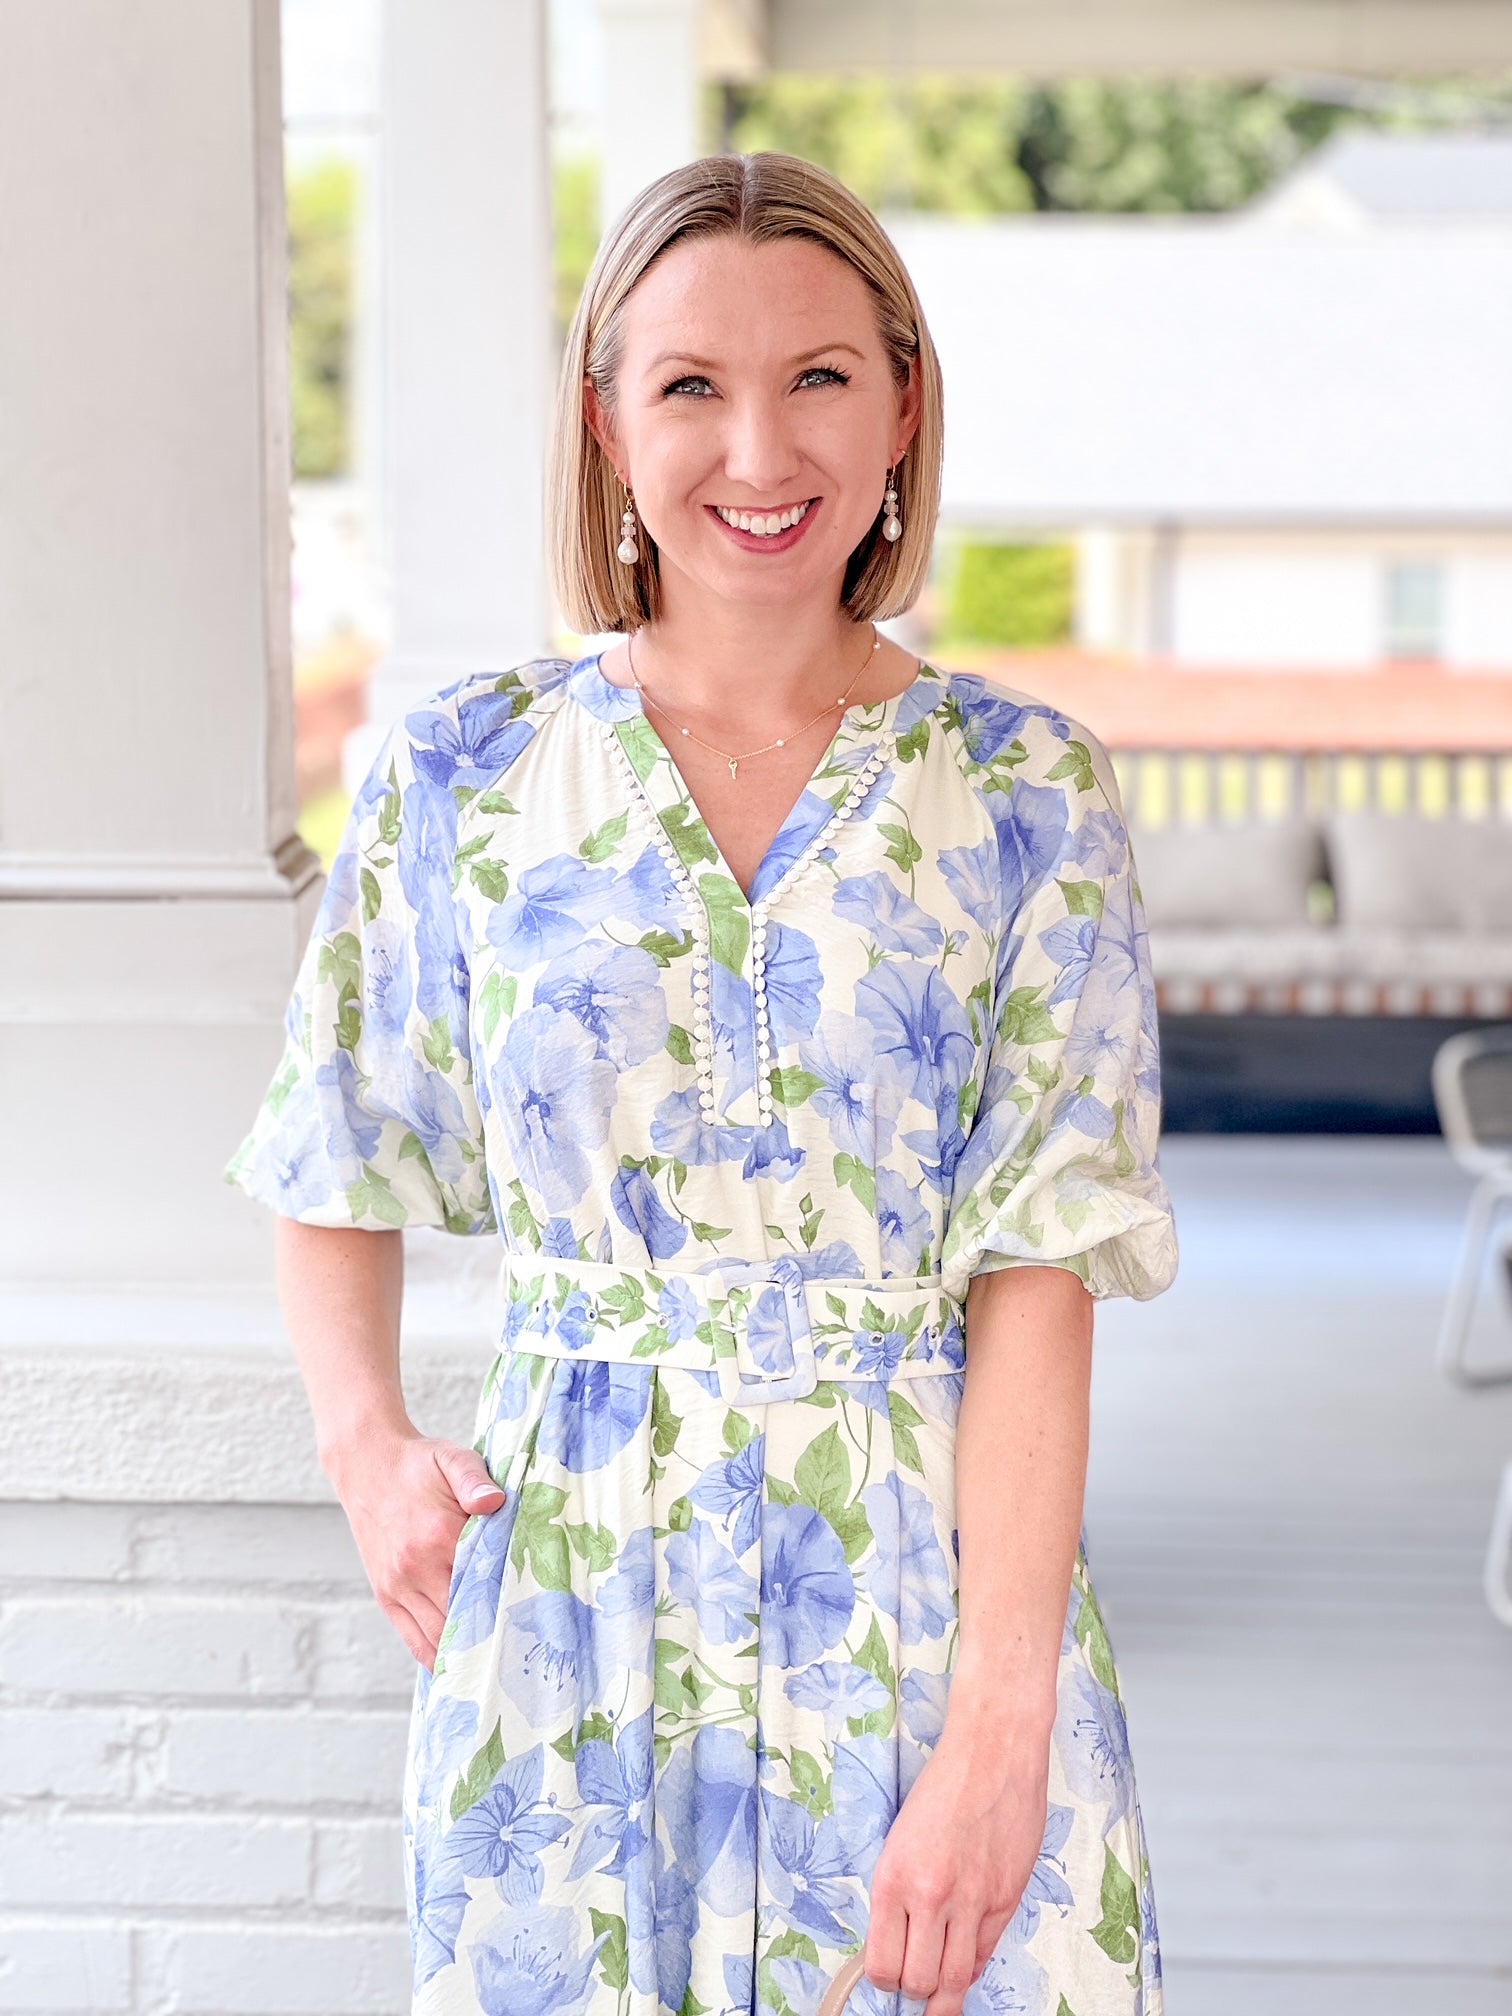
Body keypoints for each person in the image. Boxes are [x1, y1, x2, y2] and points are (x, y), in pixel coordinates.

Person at [225, 150, 1179, 2016]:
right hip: (567, 1628)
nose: (761, 448)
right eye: (691, 386)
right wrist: (367, 1451)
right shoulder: (463, 776)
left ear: (902, 403)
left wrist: (997, 1738)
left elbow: (1039, 1282)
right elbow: (336, 1145)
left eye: (821, 375)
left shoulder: (1026, 793)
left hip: (923, 1606)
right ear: (607, 422)